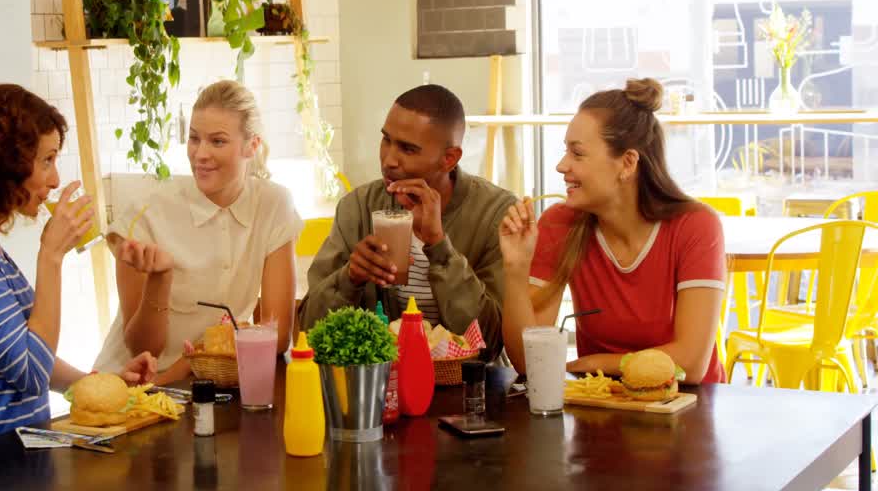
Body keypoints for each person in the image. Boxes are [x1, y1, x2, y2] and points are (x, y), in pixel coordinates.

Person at [0, 84, 155, 450]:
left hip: (8, 459)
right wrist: (51, 256)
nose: (56, 179)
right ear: (6, 163)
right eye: (47, 160)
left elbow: (25, 355)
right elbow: (29, 372)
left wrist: (98, 384)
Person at [499, 78, 725, 384]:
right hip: (603, 407)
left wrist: (597, 363)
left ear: (628, 163)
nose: (561, 166)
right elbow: (529, 362)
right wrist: (514, 268)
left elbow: (690, 364)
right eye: (566, 152)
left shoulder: (696, 226)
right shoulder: (560, 223)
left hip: (689, 406)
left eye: (577, 154)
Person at [94, 80, 302, 384]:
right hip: (134, 389)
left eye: (217, 141)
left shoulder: (273, 204)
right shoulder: (147, 212)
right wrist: (159, 279)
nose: (200, 154)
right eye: (194, 139)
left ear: (252, 145)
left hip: (211, 383)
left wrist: (191, 365)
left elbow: (277, 335)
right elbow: (142, 348)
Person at [299, 84, 516, 360]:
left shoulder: (494, 213)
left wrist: (439, 247)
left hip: (467, 388)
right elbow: (309, 330)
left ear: (449, 159)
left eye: (408, 149)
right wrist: (350, 277)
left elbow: (492, 341)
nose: (389, 160)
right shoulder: (359, 208)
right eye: (386, 140)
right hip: (382, 386)